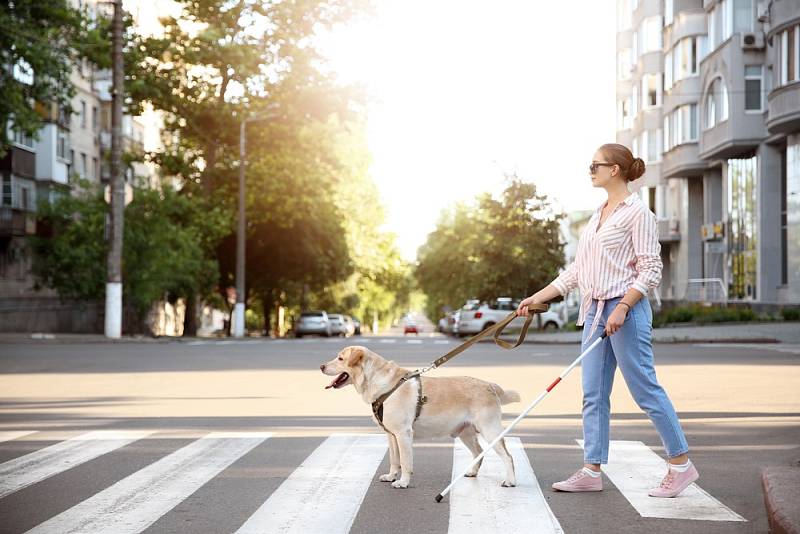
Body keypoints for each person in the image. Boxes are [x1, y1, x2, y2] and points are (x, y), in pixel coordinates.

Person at [516, 143, 698, 498]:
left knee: (645, 388)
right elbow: (578, 272)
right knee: (593, 394)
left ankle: (681, 466)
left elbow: (651, 269)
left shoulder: (638, 213)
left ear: (614, 169)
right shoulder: (598, 215)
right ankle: (591, 470)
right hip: (595, 311)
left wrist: (624, 306)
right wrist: (537, 297)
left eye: (595, 165)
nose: (590, 171)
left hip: (624, 311)